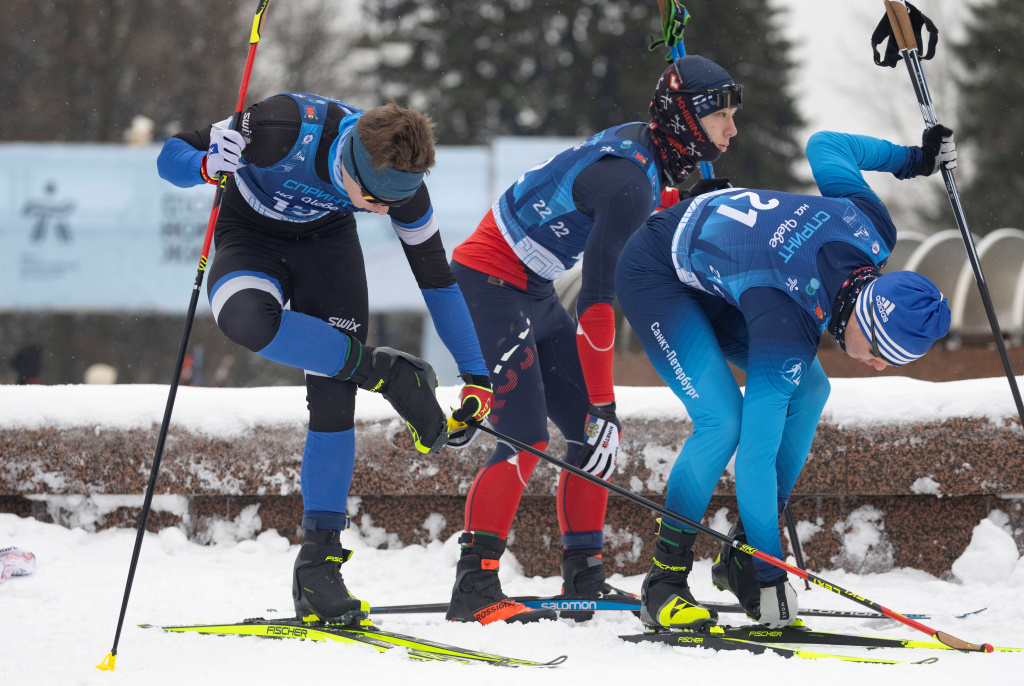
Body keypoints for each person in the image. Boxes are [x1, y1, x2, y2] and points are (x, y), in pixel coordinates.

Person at [157, 94, 494, 625]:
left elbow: (437, 279)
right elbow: (169, 157)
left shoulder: (402, 186)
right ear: (354, 163)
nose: (385, 210)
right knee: (244, 320)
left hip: (327, 252)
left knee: (334, 397)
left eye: (392, 203)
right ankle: (381, 370)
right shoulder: (279, 126)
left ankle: (319, 565)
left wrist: (477, 375)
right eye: (375, 200)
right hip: (250, 237)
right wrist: (203, 164)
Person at [614, 124, 956, 630]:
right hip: (656, 274)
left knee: (814, 388)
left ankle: (743, 557)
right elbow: (755, 454)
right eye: (881, 352)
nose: (878, 364)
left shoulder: (872, 230)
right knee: (724, 423)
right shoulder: (788, 324)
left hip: (735, 282)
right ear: (864, 319)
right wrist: (774, 572)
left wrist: (913, 160)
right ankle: (663, 581)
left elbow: (827, 147)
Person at [444, 55, 742, 625]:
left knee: (593, 437)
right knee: (527, 432)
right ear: (684, 119)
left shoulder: (651, 158)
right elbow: (597, 304)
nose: (733, 129)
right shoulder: (630, 178)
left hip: (530, 285)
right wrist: (603, 401)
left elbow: (635, 206)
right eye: (722, 116)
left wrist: (689, 202)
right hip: (486, 281)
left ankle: (584, 574)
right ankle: (473, 584)